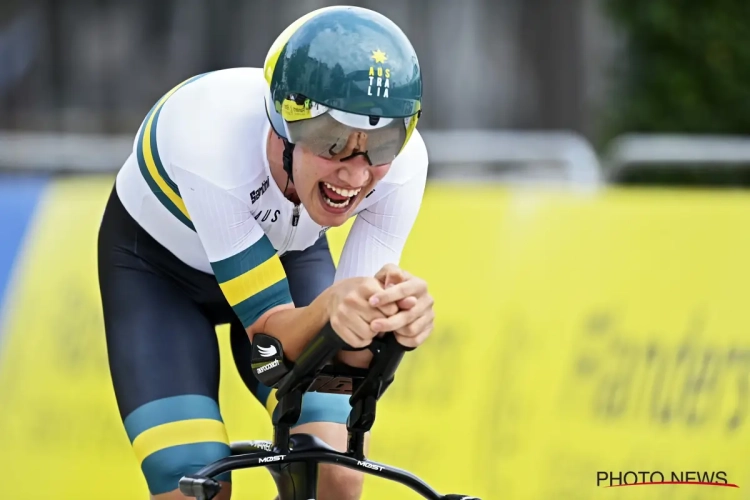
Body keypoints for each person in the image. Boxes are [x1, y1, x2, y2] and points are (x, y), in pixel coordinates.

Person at [97, 5, 432, 500]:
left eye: (381, 145)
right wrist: (334, 312)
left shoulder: (405, 166)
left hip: (286, 256)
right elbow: (269, 345)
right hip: (156, 276)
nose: (356, 174)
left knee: (335, 475)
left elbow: (343, 358)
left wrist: (393, 329)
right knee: (191, 483)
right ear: (283, 129)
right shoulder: (210, 139)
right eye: (333, 142)